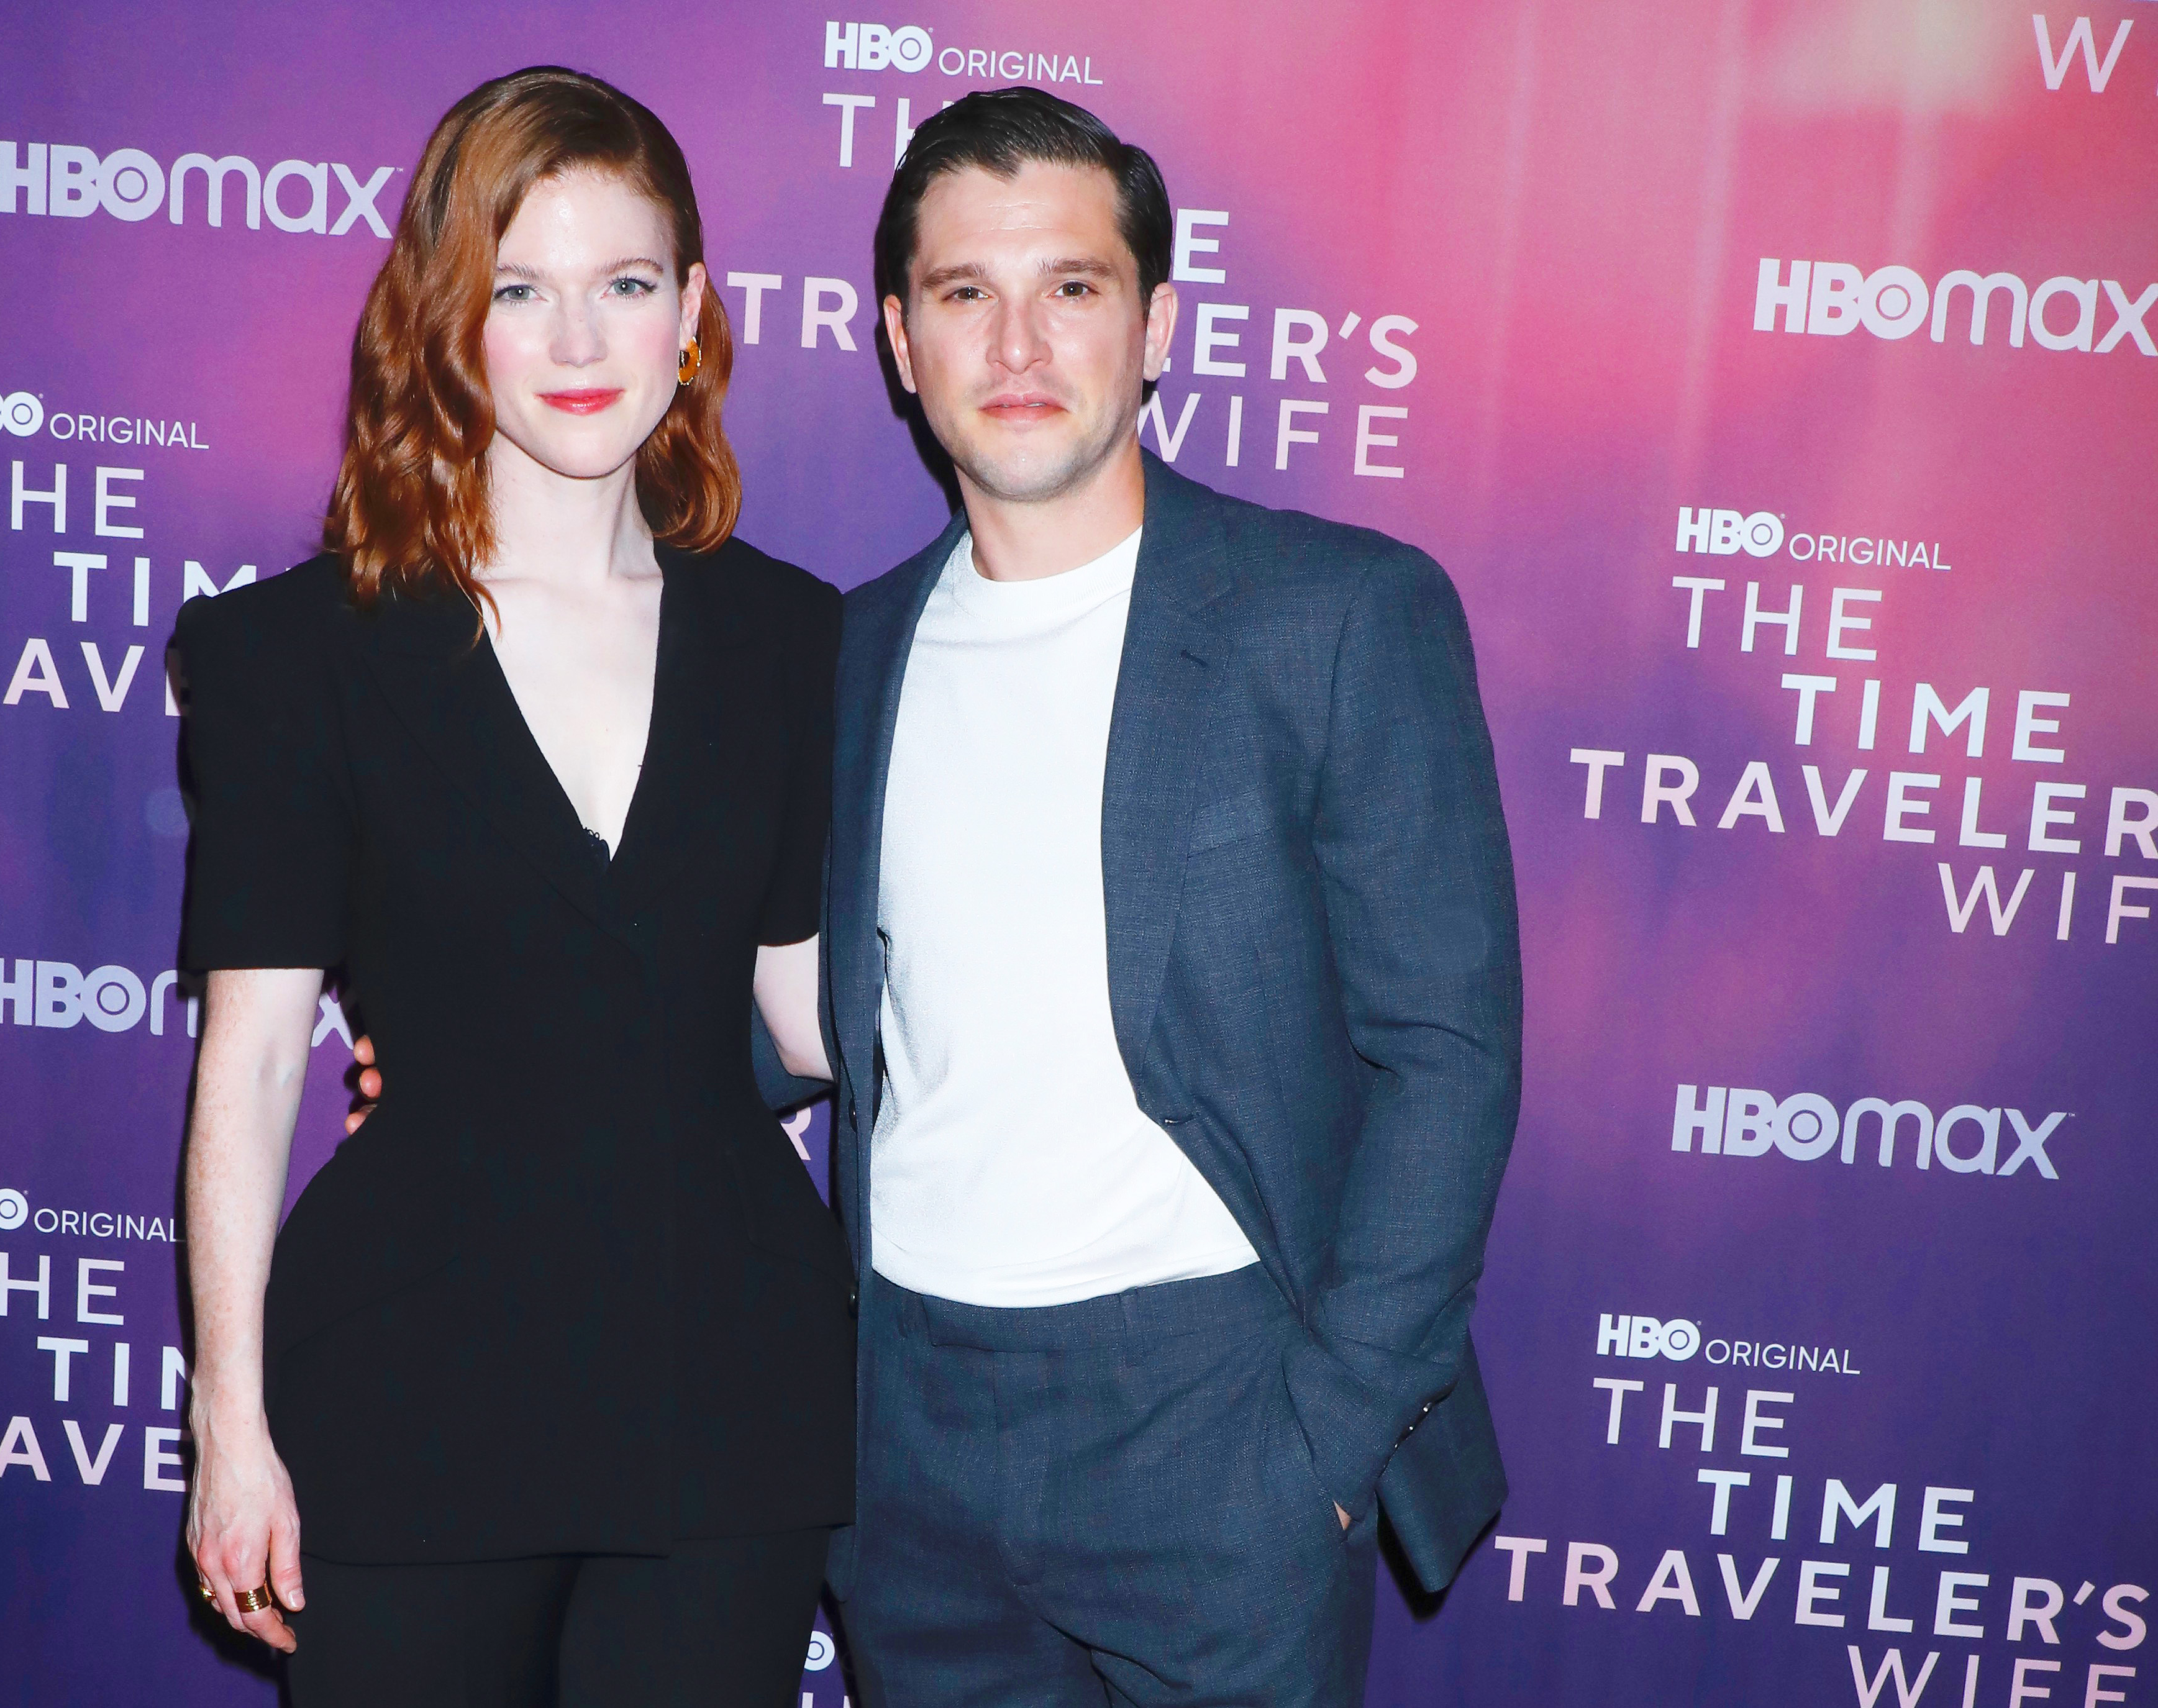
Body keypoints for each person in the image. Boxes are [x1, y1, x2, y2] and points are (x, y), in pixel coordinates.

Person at [801, 89, 1524, 1706]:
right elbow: (791, 1007)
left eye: (1070, 286)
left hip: (1215, 1423)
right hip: (903, 1429)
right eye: (961, 293)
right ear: (898, 344)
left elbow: (1447, 1054)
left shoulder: (1332, 617)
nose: (1015, 342)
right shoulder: (840, 658)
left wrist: (1320, 1446)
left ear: (1155, 327)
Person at [172, 67, 853, 1707]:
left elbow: (807, 1018)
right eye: (518, 292)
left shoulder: (791, 640)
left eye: (623, 287)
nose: (573, 344)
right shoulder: (293, 652)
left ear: (689, 314)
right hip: (411, 1378)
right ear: (446, 320)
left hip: (723, 1388)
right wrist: (230, 1429)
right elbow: (254, 1068)